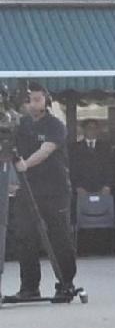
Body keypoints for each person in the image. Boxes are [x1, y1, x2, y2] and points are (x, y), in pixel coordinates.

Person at [6, 85, 80, 301]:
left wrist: (26, 164)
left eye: (37, 100)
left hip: (55, 189)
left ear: (45, 100)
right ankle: (29, 287)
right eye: (29, 100)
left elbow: (46, 149)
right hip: (27, 188)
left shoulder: (55, 124)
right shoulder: (21, 124)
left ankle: (65, 284)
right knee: (24, 236)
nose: (33, 104)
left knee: (59, 237)